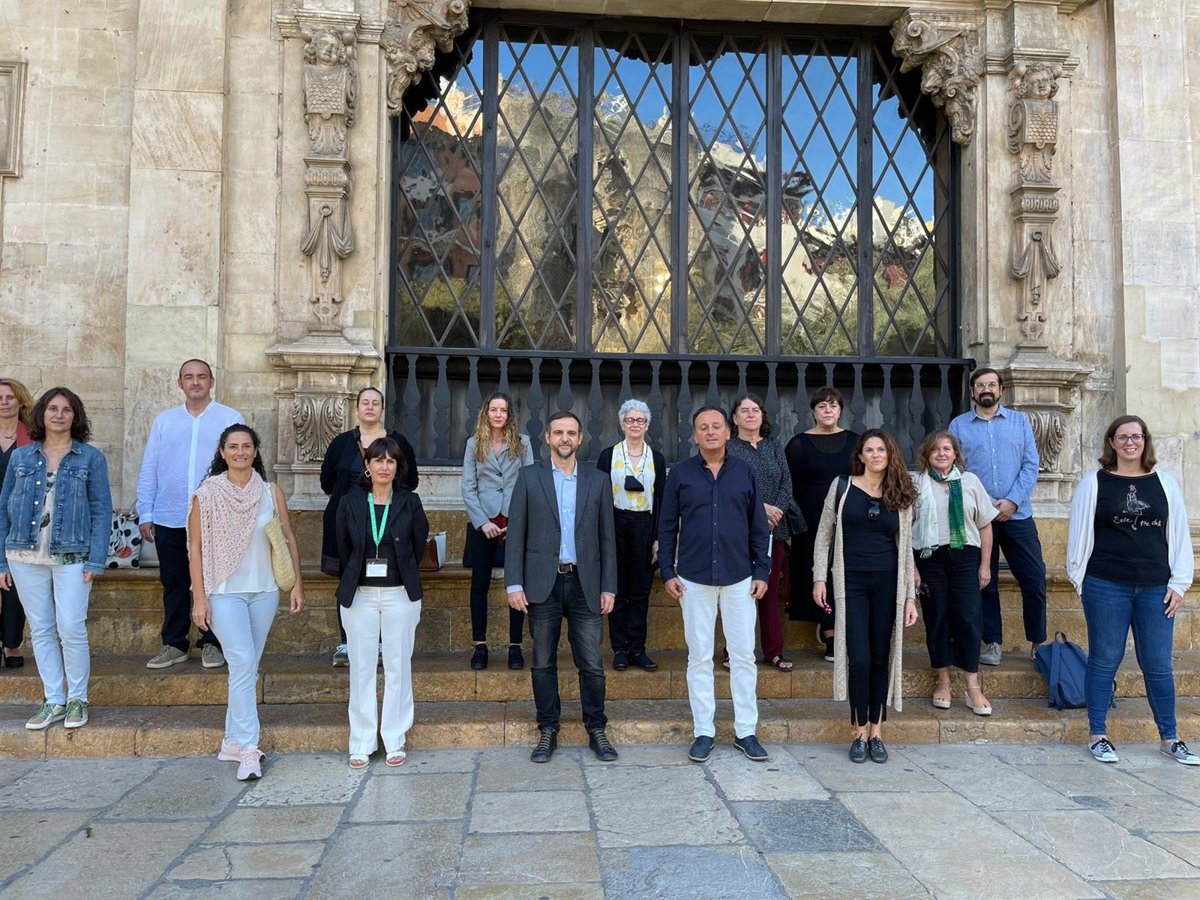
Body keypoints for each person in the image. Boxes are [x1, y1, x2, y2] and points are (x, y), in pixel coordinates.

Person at [1067, 415, 1198, 766]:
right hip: (1105, 584)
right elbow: (1078, 533)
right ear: (1111, 442)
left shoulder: (1164, 483)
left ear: (1145, 441)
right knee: (1104, 659)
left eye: (1136, 436)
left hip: (1156, 588)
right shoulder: (1094, 483)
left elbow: (1179, 534)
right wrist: (1080, 581)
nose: (1130, 443)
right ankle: (1098, 735)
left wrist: (1180, 583)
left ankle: (1170, 738)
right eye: (1122, 437)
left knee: (1157, 664)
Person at [188, 425, 305, 780]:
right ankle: (249, 748)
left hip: (265, 591)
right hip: (225, 592)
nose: (240, 452)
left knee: (247, 667)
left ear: (255, 451)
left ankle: (230, 741)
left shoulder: (270, 492)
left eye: (247, 446)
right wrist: (199, 597)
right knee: (241, 661)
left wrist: (297, 585)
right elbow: (195, 548)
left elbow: (287, 538)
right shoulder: (206, 494)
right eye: (233, 446)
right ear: (222, 452)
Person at [659, 406, 771, 764]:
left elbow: (759, 526)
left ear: (728, 433)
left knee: (743, 656)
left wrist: (762, 571)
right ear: (695, 435)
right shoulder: (680, 474)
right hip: (693, 578)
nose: (710, 432)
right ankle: (704, 732)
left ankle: (746, 731)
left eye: (716, 426)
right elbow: (666, 526)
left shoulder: (745, 472)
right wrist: (667, 571)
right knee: (699, 657)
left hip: (740, 578)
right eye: (703, 427)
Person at [505, 411, 619, 763]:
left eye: (571, 433)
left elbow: (607, 538)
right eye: (558, 432)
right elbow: (516, 535)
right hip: (543, 584)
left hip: (586, 584)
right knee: (542, 662)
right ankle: (548, 730)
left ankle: (596, 729)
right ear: (548, 438)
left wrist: (609, 587)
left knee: (592, 664)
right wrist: (514, 583)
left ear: (580, 438)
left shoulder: (598, 481)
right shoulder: (529, 477)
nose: (564, 438)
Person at [0, 387, 111, 730]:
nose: (59, 415)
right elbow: (3, 509)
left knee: (71, 627)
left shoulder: (90, 458)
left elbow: (101, 511)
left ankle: (77, 698)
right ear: (41, 415)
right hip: (23, 554)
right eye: (53, 409)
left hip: (73, 555)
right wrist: (1, 562)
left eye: (66, 409)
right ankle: (54, 700)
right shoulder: (21, 457)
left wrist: (95, 559)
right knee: (42, 629)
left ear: (75, 416)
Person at [812, 429, 918, 764]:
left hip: (888, 583)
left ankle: (877, 732)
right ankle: (858, 732)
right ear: (860, 456)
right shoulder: (842, 487)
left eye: (881, 450)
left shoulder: (900, 493)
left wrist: (910, 597)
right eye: (869, 450)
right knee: (859, 659)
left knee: (880, 658)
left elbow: (906, 549)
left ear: (890, 454)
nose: (875, 455)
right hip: (851, 583)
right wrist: (819, 578)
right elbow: (823, 535)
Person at [137, 359, 243, 670]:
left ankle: (212, 643)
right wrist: (146, 511)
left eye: (201, 377)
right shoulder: (165, 421)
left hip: (215, 517)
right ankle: (174, 643)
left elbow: (241, 464)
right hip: (170, 514)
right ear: (180, 383)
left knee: (213, 582)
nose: (195, 382)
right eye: (189, 377)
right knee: (174, 581)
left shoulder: (230, 418)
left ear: (211, 382)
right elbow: (150, 467)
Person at [336, 437, 429, 769]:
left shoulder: (410, 502)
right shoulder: (350, 502)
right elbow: (344, 547)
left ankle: (394, 737)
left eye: (391, 461)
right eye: (378, 460)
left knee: (397, 666)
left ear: (398, 467)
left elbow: (417, 544)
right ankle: (361, 741)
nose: (384, 467)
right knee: (361, 668)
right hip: (360, 594)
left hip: (399, 595)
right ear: (368, 465)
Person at [948, 367, 1045, 665]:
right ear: (972, 392)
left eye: (991, 384)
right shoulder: (959, 426)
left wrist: (1013, 500)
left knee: (1034, 578)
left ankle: (1037, 642)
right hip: (980, 518)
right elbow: (955, 469)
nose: (986, 389)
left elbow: (1031, 464)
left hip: (1018, 514)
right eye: (980, 385)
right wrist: (987, 506)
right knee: (984, 582)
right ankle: (992, 642)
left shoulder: (1019, 421)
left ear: (1001, 390)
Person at [320, 387, 418, 667]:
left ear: (383, 409)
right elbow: (327, 482)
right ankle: (347, 642)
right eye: (365, 402)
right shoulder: (341, 443)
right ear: (357, 409)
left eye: (376, 403)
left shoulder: (398, 442)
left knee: (389, 581)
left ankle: (382, 644)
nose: (370, 407)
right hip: (348, 523)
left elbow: (411, 480)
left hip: (388, 522)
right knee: (348, 577)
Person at [912, 430, 997, 715]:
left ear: (955, 454)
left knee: (969, 618)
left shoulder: (970, 481)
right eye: (935, 449)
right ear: (926, 455)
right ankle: (943, 682)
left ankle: (973, 686)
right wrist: (912, 569)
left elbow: (985, 525)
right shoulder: (916, 483)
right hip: (929, 557)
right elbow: (904, 529)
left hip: (966, 557)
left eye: (947, 449)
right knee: (937, 617)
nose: (941, 454)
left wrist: (985, 566)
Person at [785, 387, 858, 661]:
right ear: (813, 411)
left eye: (833, 405)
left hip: (848, 517)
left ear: (840, 411)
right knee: (818, 572)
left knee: (845, 572)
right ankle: (829, 633)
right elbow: (787, 485)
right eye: (822, 406)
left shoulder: (855, 442)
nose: (828, 410)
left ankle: (846, 629)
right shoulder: (798, 444)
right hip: (811, 521)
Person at [461, 392, 532, 671]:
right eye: (494, 409)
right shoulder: (473, 444)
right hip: (485, 523)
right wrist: (483, 522)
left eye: (503, 410)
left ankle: (515, 646)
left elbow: (529, 482)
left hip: (514, 521)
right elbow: (468, 487)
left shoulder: (523, 442)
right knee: (479, 584)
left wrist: (519, 520)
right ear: (486, 413)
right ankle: (480, 645)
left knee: (516, 583)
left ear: (509, 414)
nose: (498, 414)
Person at [596, 399, 665, 672]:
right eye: (630, 420)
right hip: (615, 522)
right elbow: (599, 498)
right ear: (621, 424)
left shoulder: (656, 458)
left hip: (645, 525)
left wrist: (658, 538)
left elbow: (661, 500)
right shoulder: (608, 456)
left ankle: (637, 647)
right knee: (617, 588)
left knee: (640, 590)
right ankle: (619, 649)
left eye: (640, 420)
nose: (635, 424)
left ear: (647, 425)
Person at [726, 393, 793, 671]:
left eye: (755, 410)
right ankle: (733, 651)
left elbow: (786, 483)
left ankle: (773, 651)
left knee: (769, 590)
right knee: (739, 593)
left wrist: (776, 511)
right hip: (739, 530)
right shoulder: (728, 448)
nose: (751, 414)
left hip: (774, 529)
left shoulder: (774, 445)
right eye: (744, 410)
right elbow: (727, 487)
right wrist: (760, 509)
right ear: (734, 418)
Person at [0, 378, 34, 669]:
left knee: (14, 582)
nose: (4, 402)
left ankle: (11, 644)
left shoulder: (33, 436)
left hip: (19, 517)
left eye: (9, 397)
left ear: (20, 401)